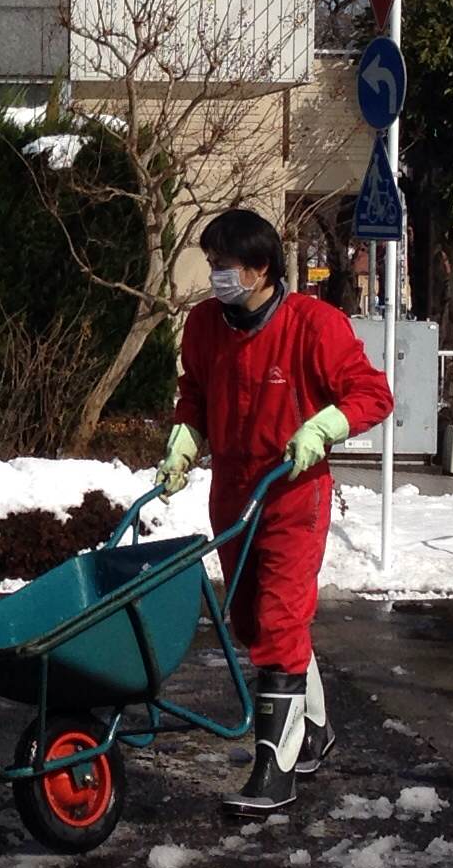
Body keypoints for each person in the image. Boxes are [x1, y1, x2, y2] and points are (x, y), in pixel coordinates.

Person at [157, 207, 394, 819]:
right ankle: (311, 727)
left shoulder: (314, 325)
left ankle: (275, 769)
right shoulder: (206, 325)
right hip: (233, 487)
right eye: (212, 266)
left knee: (280, 616)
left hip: (293, 490)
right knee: (253, 622)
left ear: (261, 269)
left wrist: (323, 426)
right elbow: (196, 395)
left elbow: (372, 393)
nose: (216, 278)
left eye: (224, 267)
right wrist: (185, 440)